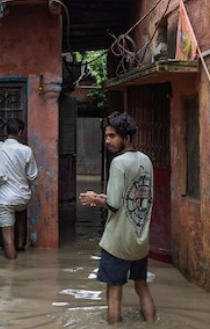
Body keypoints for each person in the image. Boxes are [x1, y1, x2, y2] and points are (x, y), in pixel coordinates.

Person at [80, 111, 155, 324]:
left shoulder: (118, 163)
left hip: (118, 243)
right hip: (139, 241)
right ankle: (152, 324)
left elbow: (113, 204)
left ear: (127, 137)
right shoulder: (146, 161)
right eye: (106, 136)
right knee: (142, 286)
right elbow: (135, 197)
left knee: (113, 293)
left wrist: (95, 199)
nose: (107, 141)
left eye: (112, 136)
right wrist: (103, 197)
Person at [0, 118, 38, 260]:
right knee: (20, 208)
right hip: (23, 198)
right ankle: (21, 242)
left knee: (7, 239)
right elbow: (32, 176)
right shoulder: (26, 150)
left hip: (4, 200)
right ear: (20, 132)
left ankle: (11, 271)